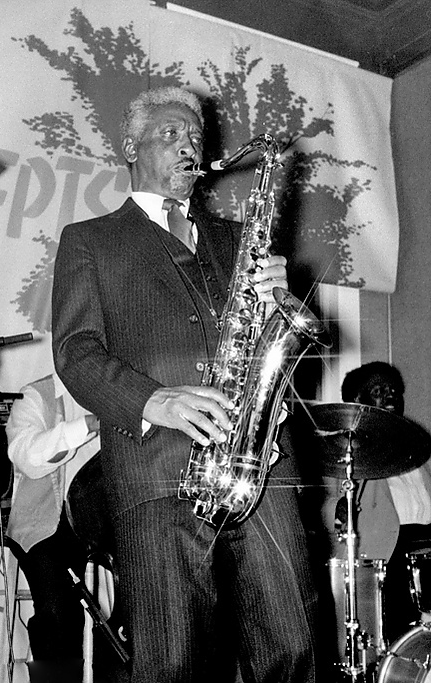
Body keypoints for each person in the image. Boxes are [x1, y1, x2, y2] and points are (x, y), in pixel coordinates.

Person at [51, 85, 325, 682]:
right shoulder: (89, 240)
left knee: (292, 645)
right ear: (130, 147)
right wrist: (154, 400)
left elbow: (280, 344)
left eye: (195, 137)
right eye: (170, 133)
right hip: (154, 466)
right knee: (172, 662)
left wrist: (279, 303)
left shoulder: (239, 240)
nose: (189, 147)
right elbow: (75, 353)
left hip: (257, 462)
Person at [323, 361, 431, 645]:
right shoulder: (345, 450)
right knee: (398, 646)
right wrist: (338, 510)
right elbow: (325, 507)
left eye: (395, 391)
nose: (391, 396)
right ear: (357, 400)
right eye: (379, 391)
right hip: (386, 560)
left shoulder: (415, 449)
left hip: (425, 556)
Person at [6, 371, 100, 683]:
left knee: (140, 606)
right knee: (57, 614)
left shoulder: (121, 388)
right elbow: (26, 456)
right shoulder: (36, 394)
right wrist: (86, 425)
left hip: (107, 521)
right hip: (47, 523)